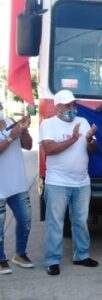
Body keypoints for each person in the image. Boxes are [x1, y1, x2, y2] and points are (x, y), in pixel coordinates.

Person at [39, 90, 99, 276]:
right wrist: (73, 139)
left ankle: (81, 256)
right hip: (57, 182)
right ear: (57, 107)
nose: (72, 108)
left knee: (80, 221)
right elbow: (48, 149)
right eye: (68, 105)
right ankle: (52, 260)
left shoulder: (83, 122)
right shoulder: (49, 124)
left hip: (82, 182)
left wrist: (89, 140)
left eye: (74, 104)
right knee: (55, 223)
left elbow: (94, 150)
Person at [0, 101, 34, 274]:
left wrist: (24, 131)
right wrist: (11, 136)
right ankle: (0, 259)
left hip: (17, 183)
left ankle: (20, 254)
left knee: (25, 220)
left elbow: (28, 146)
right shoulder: (11, 130)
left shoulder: (10, 121)